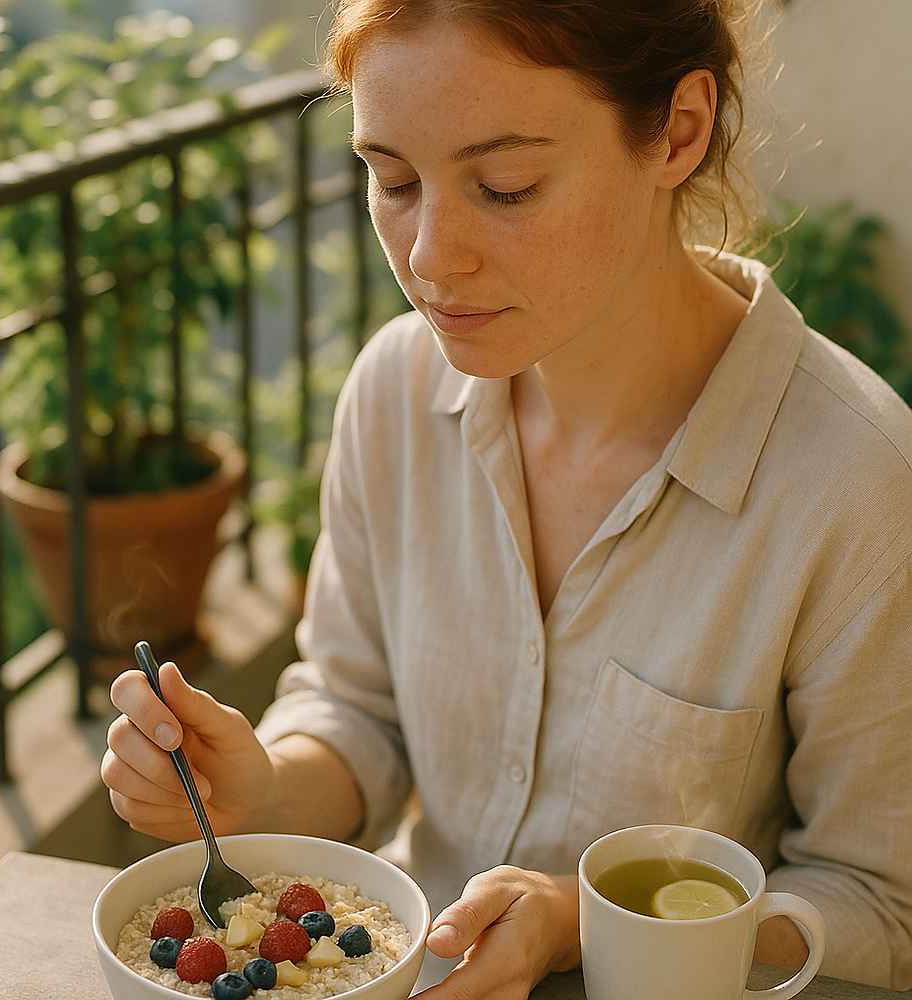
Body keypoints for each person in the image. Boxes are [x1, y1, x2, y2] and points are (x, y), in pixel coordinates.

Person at [101, 1, 912, 995]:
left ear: (678, 130)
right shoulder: (395, 392)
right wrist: (265, 783)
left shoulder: (854, 485)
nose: (431, 255)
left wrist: (590, 923)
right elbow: (358, 707)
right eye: (390, 178)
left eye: (504, 185)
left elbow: (881, 907)